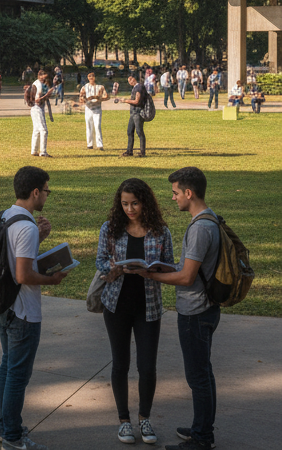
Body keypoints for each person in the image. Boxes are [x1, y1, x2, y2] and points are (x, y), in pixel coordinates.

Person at [141, 168, 220, 450]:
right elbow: (190, 269)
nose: (172, 198)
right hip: (207, 308)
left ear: (189, 193)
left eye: (175, 193)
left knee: (198, 377)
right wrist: (168, 268)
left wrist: (152, 275)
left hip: (195, 312)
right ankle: (201, 428)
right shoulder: (210, 220)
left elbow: (186, 278)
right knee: (204, 374)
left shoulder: (199, 228)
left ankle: (202, 439)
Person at [0, 166, 67, 450]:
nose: (47, 196)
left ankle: (4, 425)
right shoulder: (26, 227)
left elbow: (12, 259)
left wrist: (41, 238)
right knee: (18, 375)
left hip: (3, 305)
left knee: (7, 366)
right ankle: (12, 436)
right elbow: (23, 275)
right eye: (47, 191)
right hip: (23, 311)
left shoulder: (6, 216)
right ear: (36, 192)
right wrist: (53, 279)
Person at [96, 178, 174, 446]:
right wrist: (115, 269)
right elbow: (101, 262)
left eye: (135, 203)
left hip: (148, 307)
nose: (129, 209)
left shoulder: (160, 231)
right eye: (124, 203)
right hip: (116, 305)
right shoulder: (110, 228)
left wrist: (151, 270)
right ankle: (124, 421)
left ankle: (144, 418)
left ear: (146, 203)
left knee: (147, 367)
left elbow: (169, 265)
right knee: (121, 364)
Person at [78, 71, 108, 151]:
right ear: (87, 78)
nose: (91, 77)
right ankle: (90, 144)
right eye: (89, 76)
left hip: (97, 108)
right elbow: (80, 98)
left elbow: (106, 96)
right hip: (88, 108)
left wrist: (97, 97)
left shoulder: (100, 87)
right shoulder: (85, 87)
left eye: (93, 76)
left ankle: (99, 144)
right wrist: (83, 99)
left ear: (95, 77)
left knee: (97, 125)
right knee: (89, 126)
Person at [121, 73, 148, 158]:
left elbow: (137, 101)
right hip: (133, 113)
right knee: (129, 131)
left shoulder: (139, 87)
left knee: (139, 132)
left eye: (131, 79)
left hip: (138, 112)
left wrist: (125, 101)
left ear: (134, 79)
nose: (130, 81)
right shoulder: (135, 88)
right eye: (128, 80)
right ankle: (129, 151)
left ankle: (142, 152)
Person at [29, 69, 53, 158]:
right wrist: (47, 95)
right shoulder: (38, 85)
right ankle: (43, 152)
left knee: (36, 130)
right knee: (43, 130)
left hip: (36, 108)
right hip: (37, 108)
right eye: (44, 77)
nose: (45, 79)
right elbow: (38, 100)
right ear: (39, 76)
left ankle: (34, 150)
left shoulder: (39, 84)